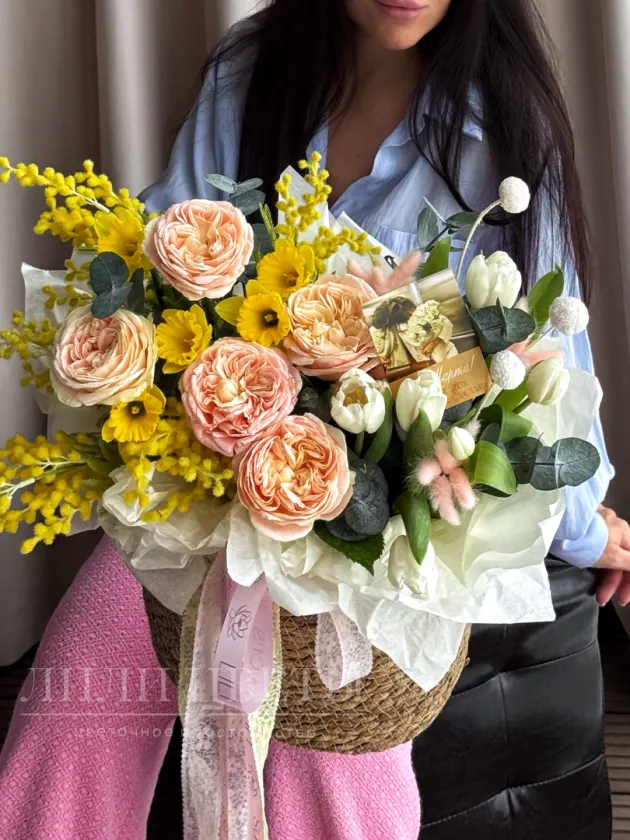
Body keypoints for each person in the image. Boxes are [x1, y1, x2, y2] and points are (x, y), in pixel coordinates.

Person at [1, 1, 629, 838]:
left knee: (330, 738)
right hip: (213, 492)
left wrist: (585, 531)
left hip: (390, 520)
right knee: (82, 683)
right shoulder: (249, 75)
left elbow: (549, 364)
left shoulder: (507, 126)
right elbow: (165, 262)